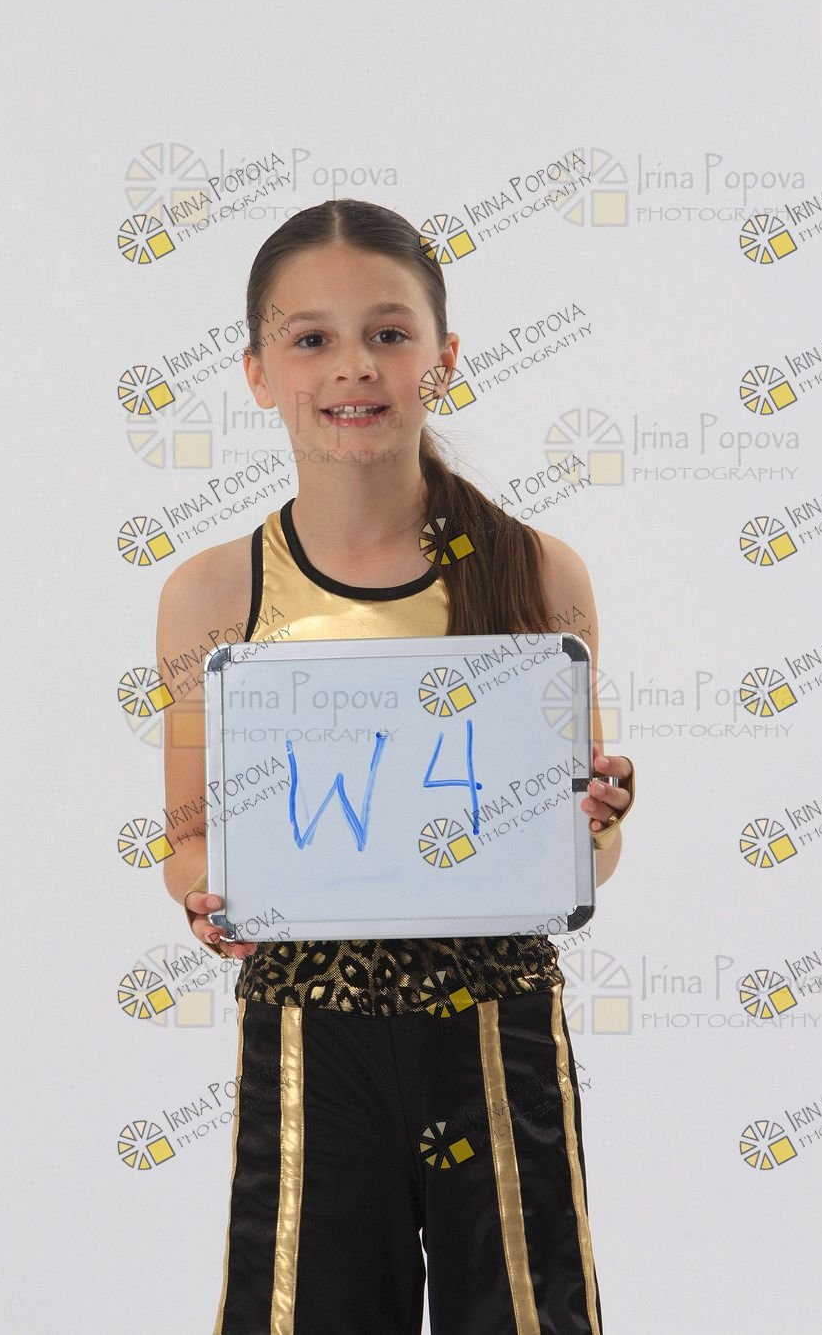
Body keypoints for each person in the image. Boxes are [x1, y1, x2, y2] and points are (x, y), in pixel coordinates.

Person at [157, 198, 636, 1335]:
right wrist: (209, 897)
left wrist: (596, 818)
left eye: (388, 332)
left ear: (444, 357)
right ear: (258, 372)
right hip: (309, 1027)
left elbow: (591, 853)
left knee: (524, 1312)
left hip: (495, 1022)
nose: (353, 366)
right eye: (310, 338)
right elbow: (188, 840)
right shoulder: (216, 593)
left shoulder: (535, 572)